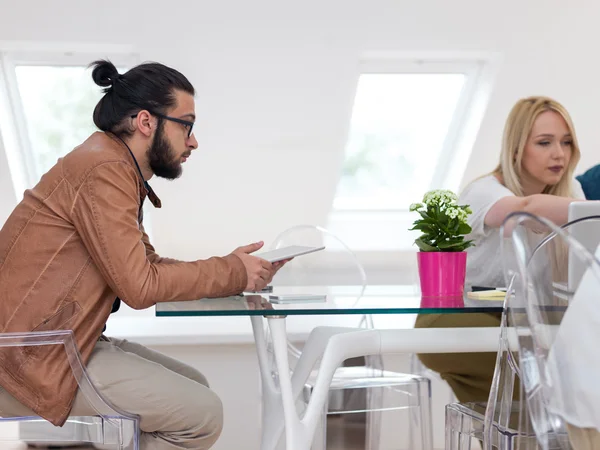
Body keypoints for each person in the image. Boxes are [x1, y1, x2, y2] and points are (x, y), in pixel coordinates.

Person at [0, 60, 287, 450]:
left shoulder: (112, 164)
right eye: (186, 125)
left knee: (195, 388)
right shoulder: (104, 168)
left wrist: (237, 269)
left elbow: (146, 267)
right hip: (29, 357)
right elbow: (139, 287)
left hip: (54, 344)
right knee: (202, 415)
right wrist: (232, 272)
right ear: (147, 122)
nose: (193, 141)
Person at [415, 96, 587, 403]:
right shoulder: (484, 192)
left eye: (566, 142)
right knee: (545, 399)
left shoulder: (571, 194)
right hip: (455, 319)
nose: (559, 154)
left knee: (513, 410)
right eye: (544, 143)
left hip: (519, 322)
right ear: (517, 147)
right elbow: (523, 211)